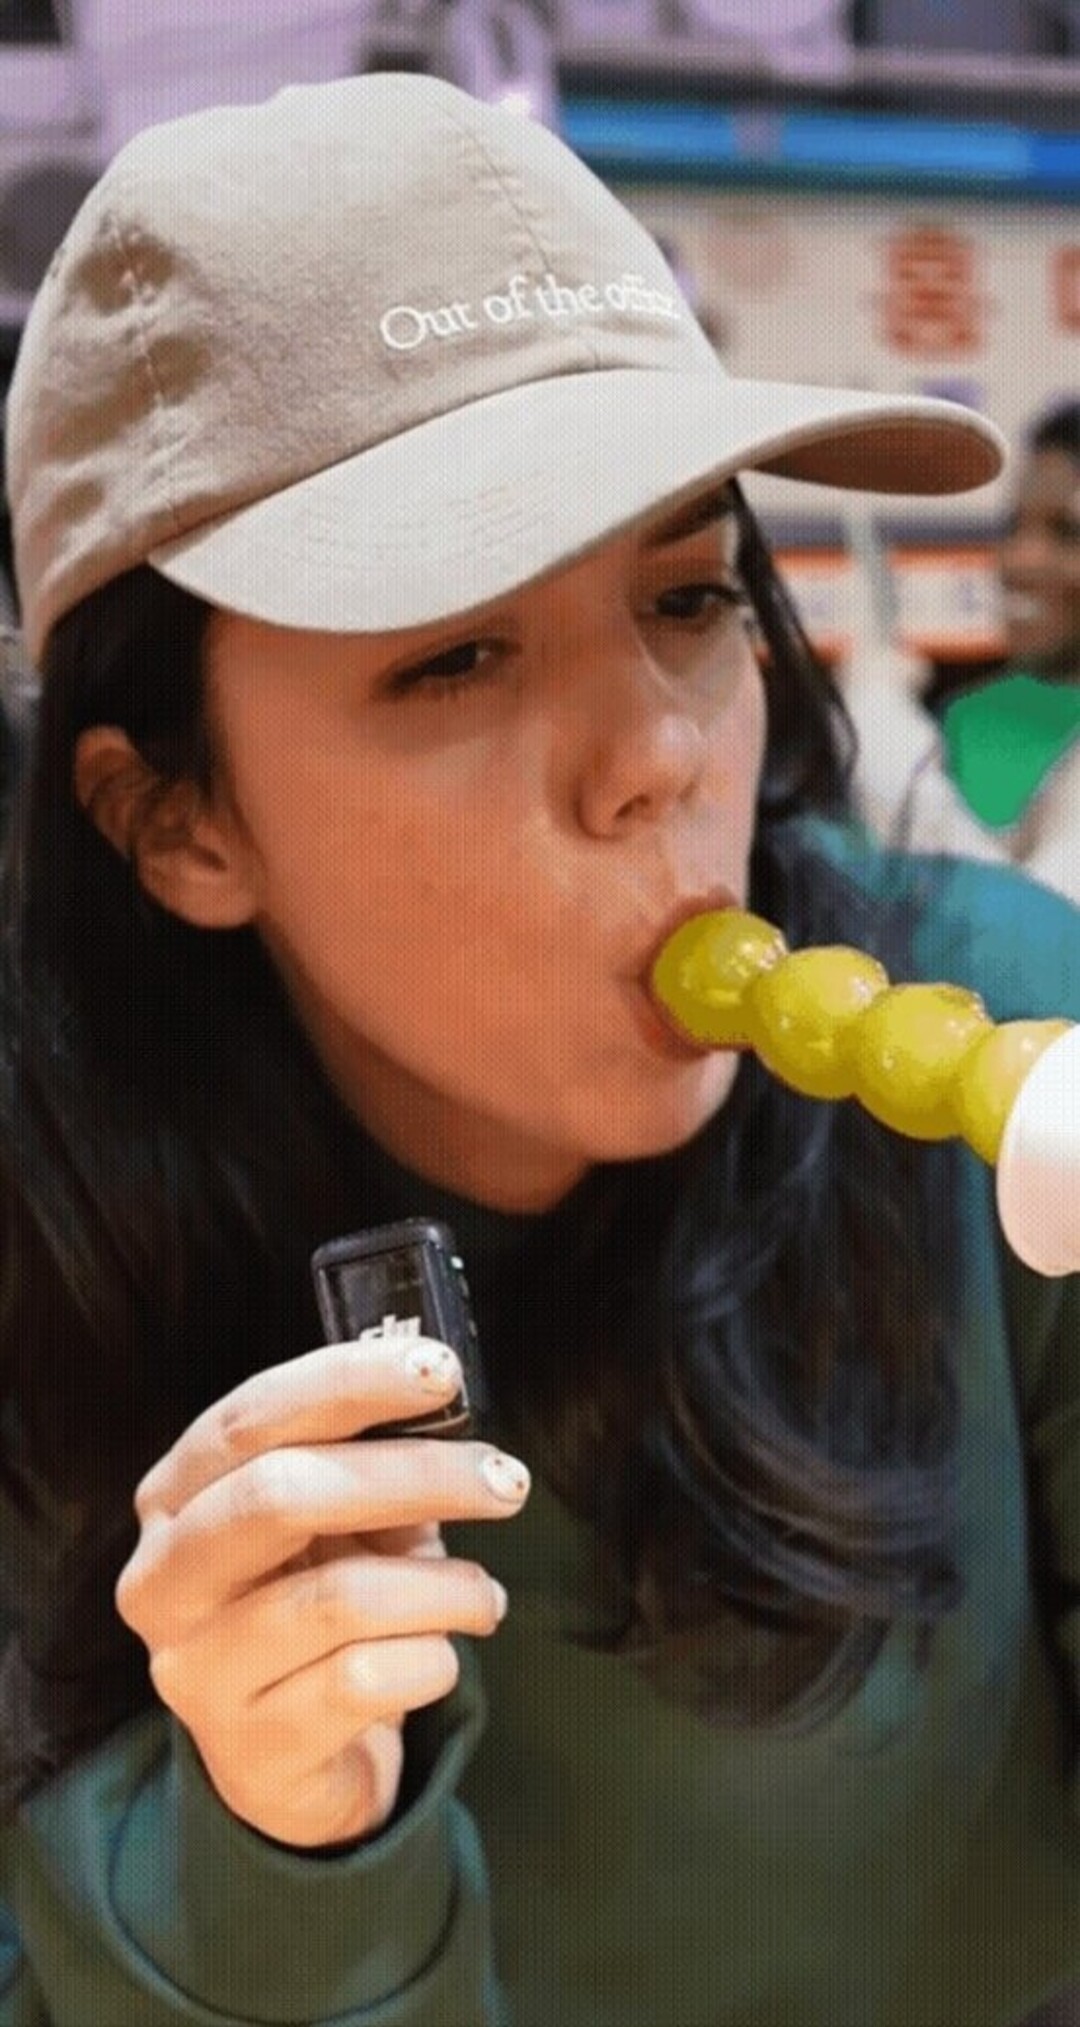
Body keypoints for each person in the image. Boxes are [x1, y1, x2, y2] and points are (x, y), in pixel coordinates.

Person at [1, 70, 1080, 2027]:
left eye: (691, 594)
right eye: (456, 652)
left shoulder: (1012, 1046)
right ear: (175, 819)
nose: (658, 753)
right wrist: (273, 1857)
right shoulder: (47, 1259)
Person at [844, 401, 1080, 905]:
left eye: (1068, 533)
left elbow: (1027, 927)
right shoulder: (969, 718)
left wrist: (877, 720)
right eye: (1014, 526)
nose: (1020, 560)